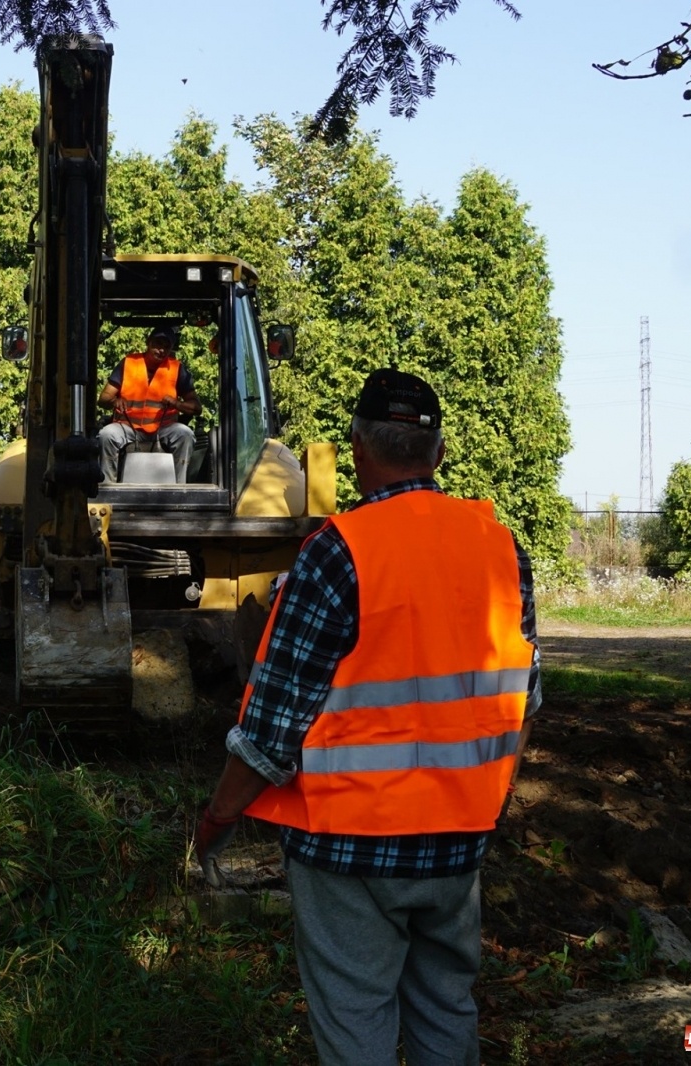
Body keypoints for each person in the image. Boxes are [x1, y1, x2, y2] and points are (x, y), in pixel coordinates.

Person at [193, 368, 540, 1066]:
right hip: (457, 843)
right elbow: (524, 698)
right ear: (439, 454)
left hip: (348, 848)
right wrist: (492, 798)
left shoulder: (337, 552)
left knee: (357, 1029)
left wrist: (216, 822)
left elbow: (272, 727)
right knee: (447, 1012)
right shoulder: (502, 549)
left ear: (356, 450)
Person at [96, 326, 202, 484]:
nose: (161, 350)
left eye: (166, 347)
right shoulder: (128, 363)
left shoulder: (177, 368)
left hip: (164, 428)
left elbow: (196, 408)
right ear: (148, 342)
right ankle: (107, 486)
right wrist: (114, 401)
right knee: (106, 435)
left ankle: (179, 488)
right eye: (158, 344)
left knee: (185, 434)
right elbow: (103, 399)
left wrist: (177, 403)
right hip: (127, 427)